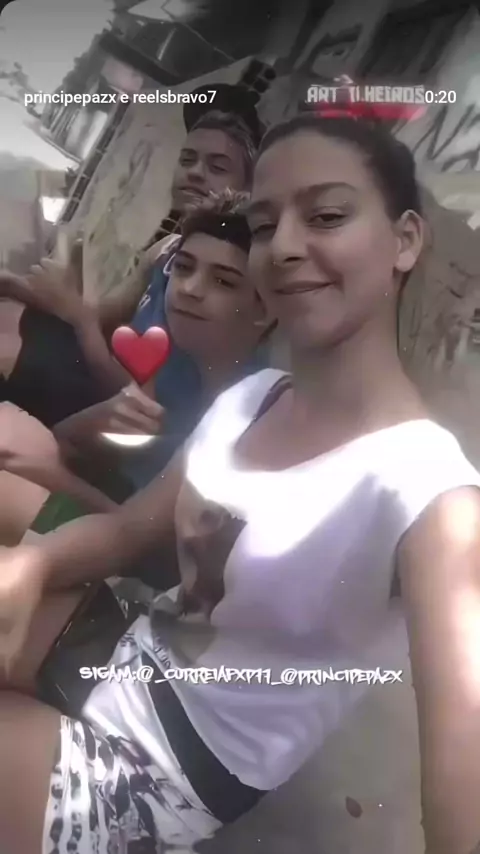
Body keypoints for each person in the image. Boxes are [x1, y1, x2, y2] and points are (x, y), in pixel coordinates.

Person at [2, 114, 480, 854]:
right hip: (114, 648)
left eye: (326, 215)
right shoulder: (251, 399)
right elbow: (126, 531)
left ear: (405, 240)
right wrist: (34, 563)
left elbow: (462, 779)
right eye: (264, 224)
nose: (283, 246)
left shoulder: (431, 494)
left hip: (156, 774)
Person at [53, 191, 273, 490]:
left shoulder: (252, 416)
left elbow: (137, 519)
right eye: (183, 267)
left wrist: (69, 437)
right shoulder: (180, 363)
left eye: (223, 281)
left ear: (265, 309)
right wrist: (83, 426)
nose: (188, 289)